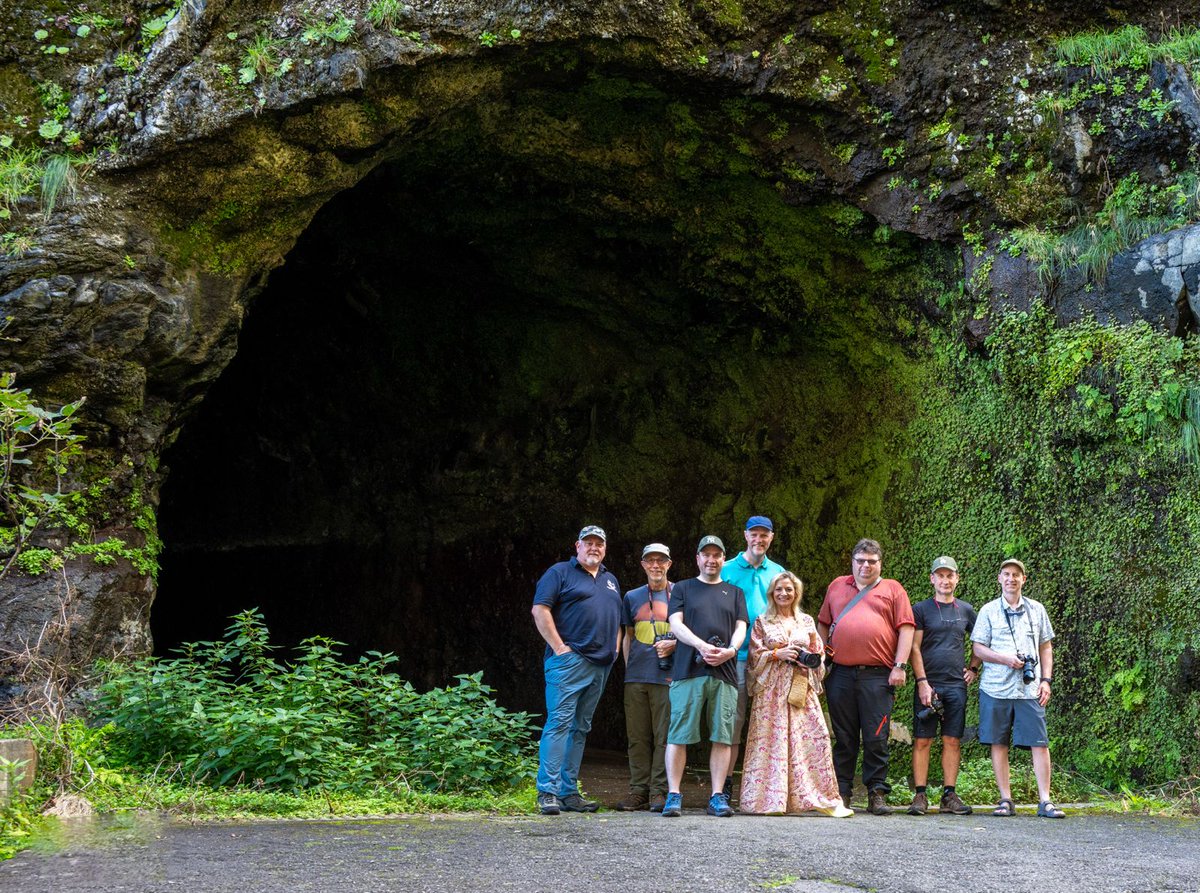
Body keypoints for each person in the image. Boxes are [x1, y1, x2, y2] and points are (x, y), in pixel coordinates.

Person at [740, 571, 853, 817]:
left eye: (789, 589)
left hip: (801, 687)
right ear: (772, 593)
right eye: (779, 589)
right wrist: (775, 654)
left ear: (796, 593)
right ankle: (769, 799)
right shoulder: (762, 621)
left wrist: (810, 663)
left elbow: (819, 653)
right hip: (771, 690)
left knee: (811, 738)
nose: (784, 593)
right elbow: (753, 655)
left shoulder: (806, 621)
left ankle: (811, 795)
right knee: (771, 740)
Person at [816, 538, 915, 816]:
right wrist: (821, 659)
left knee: (876, 737)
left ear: (879, 563)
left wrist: (900, 665)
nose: (865, 566)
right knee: (844, 737)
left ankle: (877, 793)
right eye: (860, 560)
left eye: (872, 561)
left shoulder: (893, 589)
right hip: (841, 674)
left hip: (878, 676)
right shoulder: (837, 586)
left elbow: (906, 628)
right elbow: (823, 623)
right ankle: (842, 793)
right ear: (852, 562)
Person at [531, 525, 623, 816]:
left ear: (605, 548)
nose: (593, 547)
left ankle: (568, 792)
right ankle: (548, 791)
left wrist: (616, 649)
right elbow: (540, 610)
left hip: (601, 665)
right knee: (559, 723)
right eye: (588, 543)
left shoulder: (611, 580)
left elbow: (617, 619)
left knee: (580, 728)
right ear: (577, 546)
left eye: (599, 543)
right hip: (570, 661)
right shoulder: (559, 572)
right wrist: (559, 648)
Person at [661, 535, 748, 818]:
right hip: (688, 670)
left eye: (717, 555)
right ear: (697, 558)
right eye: (706, 555)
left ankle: (717, 796)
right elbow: (675, 623)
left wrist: (731, 651)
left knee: (723, 736)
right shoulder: (683, 588)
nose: (711, 560)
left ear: (724, 559)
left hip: (724, 672)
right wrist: (701, 645)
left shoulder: (734, 593)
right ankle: (674, 795)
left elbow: (740, 627)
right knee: (679, 734)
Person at [971, 559, 1065, 819]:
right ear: (999, 579)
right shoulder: (988, 611)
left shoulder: (1037, 610)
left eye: (1016, 575)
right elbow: (977, 648)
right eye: (1006, 574)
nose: (1011, 579)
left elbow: (1045, 646)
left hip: (1029, 689)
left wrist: (1046, 680)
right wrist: (1005, 659)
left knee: (1040, 743)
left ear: (1024, 579)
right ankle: (1005, 799)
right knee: (998, 743)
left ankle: (1045, 800)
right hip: (995, 688)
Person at [907, 556, 979, 816]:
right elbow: (914, 647)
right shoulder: (921, 610)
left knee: (952, 740)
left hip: (955, 686)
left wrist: (973, 668)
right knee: (923, 740)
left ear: (957, 579)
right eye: (941, 575)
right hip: (929, 684)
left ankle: (949, 794)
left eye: (950, 576)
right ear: (932, 579)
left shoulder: (967, 610)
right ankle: (920, 795)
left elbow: (981, 640)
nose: (945, 580)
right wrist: (922, 682)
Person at [720, 514, 786, 797]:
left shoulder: (778, 572)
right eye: (754, 534)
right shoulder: (726, 569)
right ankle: (722, 786)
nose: (759, 540)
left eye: (765, 535)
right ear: (745, 535)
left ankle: (765, 789)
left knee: (769, 724)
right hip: (736, 658)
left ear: (771, 538)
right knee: (731, 724)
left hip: (770, 659)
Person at [615, 542, 676, 812]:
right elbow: (627, 637)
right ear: (642, 564)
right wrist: (629, 671)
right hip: (637, 676)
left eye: (661, 561)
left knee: (665, 735)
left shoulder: (680, 594)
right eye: (650, 561)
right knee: (637, 736)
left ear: (669, 564)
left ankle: (659, 791)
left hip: (669, 676)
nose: (655, 566)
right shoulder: (631, 597)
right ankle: (638, 789)